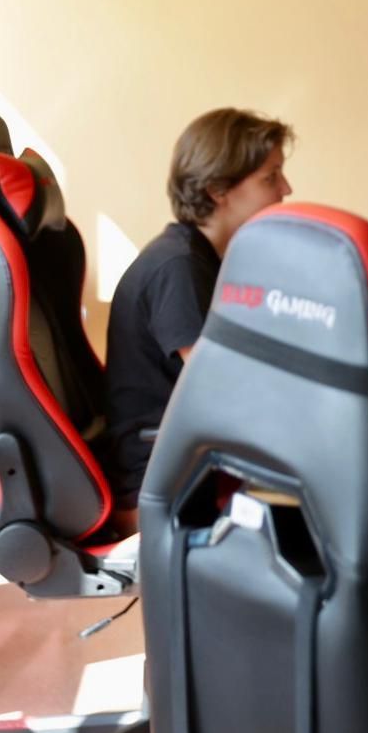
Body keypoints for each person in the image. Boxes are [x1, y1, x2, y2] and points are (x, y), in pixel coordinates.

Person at [104, 108, 292, 531]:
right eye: (270, 177)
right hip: (159, 485)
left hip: (185, 463)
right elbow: (226, 391)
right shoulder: (179, 269)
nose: (286, 189)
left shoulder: (199, 259)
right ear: (218, 190)